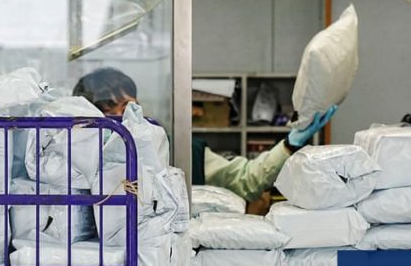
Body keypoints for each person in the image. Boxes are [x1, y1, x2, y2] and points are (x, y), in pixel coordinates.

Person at [73, 68, 336, 205]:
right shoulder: (71, 162)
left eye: (129, 106)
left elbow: (247, 179)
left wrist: (291, 143)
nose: (122, 118)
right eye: (109, 111)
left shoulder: (182, 152)